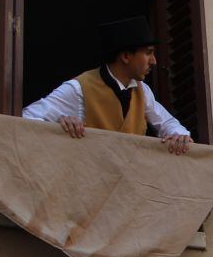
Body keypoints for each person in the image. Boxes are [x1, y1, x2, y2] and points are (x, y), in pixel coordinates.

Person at [22, 16, 193, 155]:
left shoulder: (143, 91)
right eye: (148, 53)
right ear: (126, 56)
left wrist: (180, 136)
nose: (154, 61)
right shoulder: (79, 88)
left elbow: (168, 123)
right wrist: (58, 123)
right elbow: (27, 118)